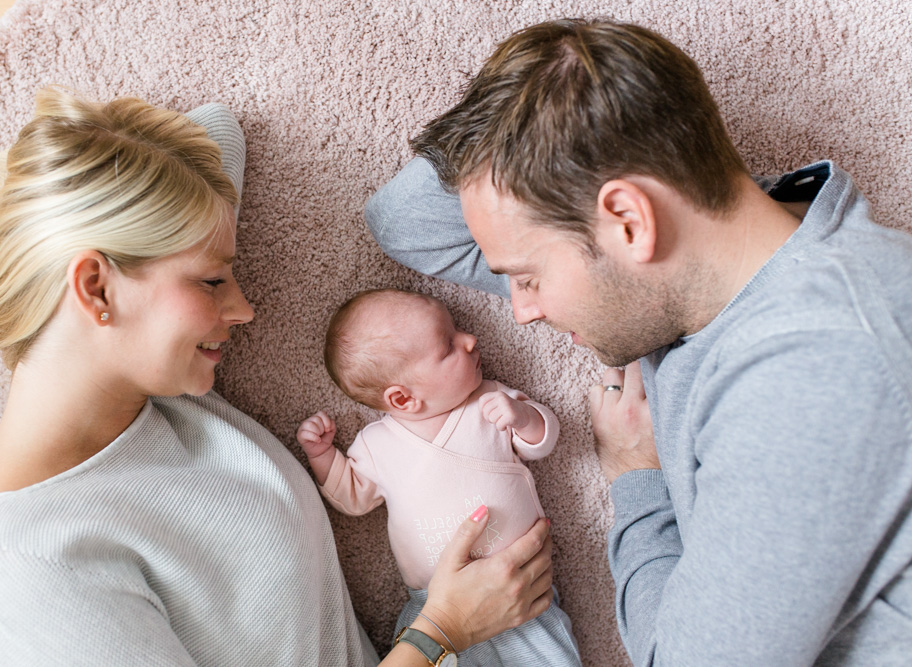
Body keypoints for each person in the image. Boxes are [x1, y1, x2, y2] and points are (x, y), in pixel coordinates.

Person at [0, 87, 556, 666]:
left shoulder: (159, 399)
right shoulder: (12, 567)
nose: (245, 309)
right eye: (214, 281)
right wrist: (439, 633)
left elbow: (216, 132)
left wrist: (43, 207)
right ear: (93, 287)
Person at [364, 18, 912, 667]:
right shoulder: (692, 270)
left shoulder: (818, 369)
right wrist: (538, 98)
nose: (522, 310)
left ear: (628, 221)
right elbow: (405, 224)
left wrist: (638, 478)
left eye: (528, 277)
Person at [297, 288, 583, 667]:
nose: (470, 340)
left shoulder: (489, 402)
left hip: (522, 591)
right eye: (449, 345)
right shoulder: (376, 444)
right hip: (434, 608)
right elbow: (353, 498)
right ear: (402, 399)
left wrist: (523, 417)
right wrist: (323, 457)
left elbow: (540, 442)